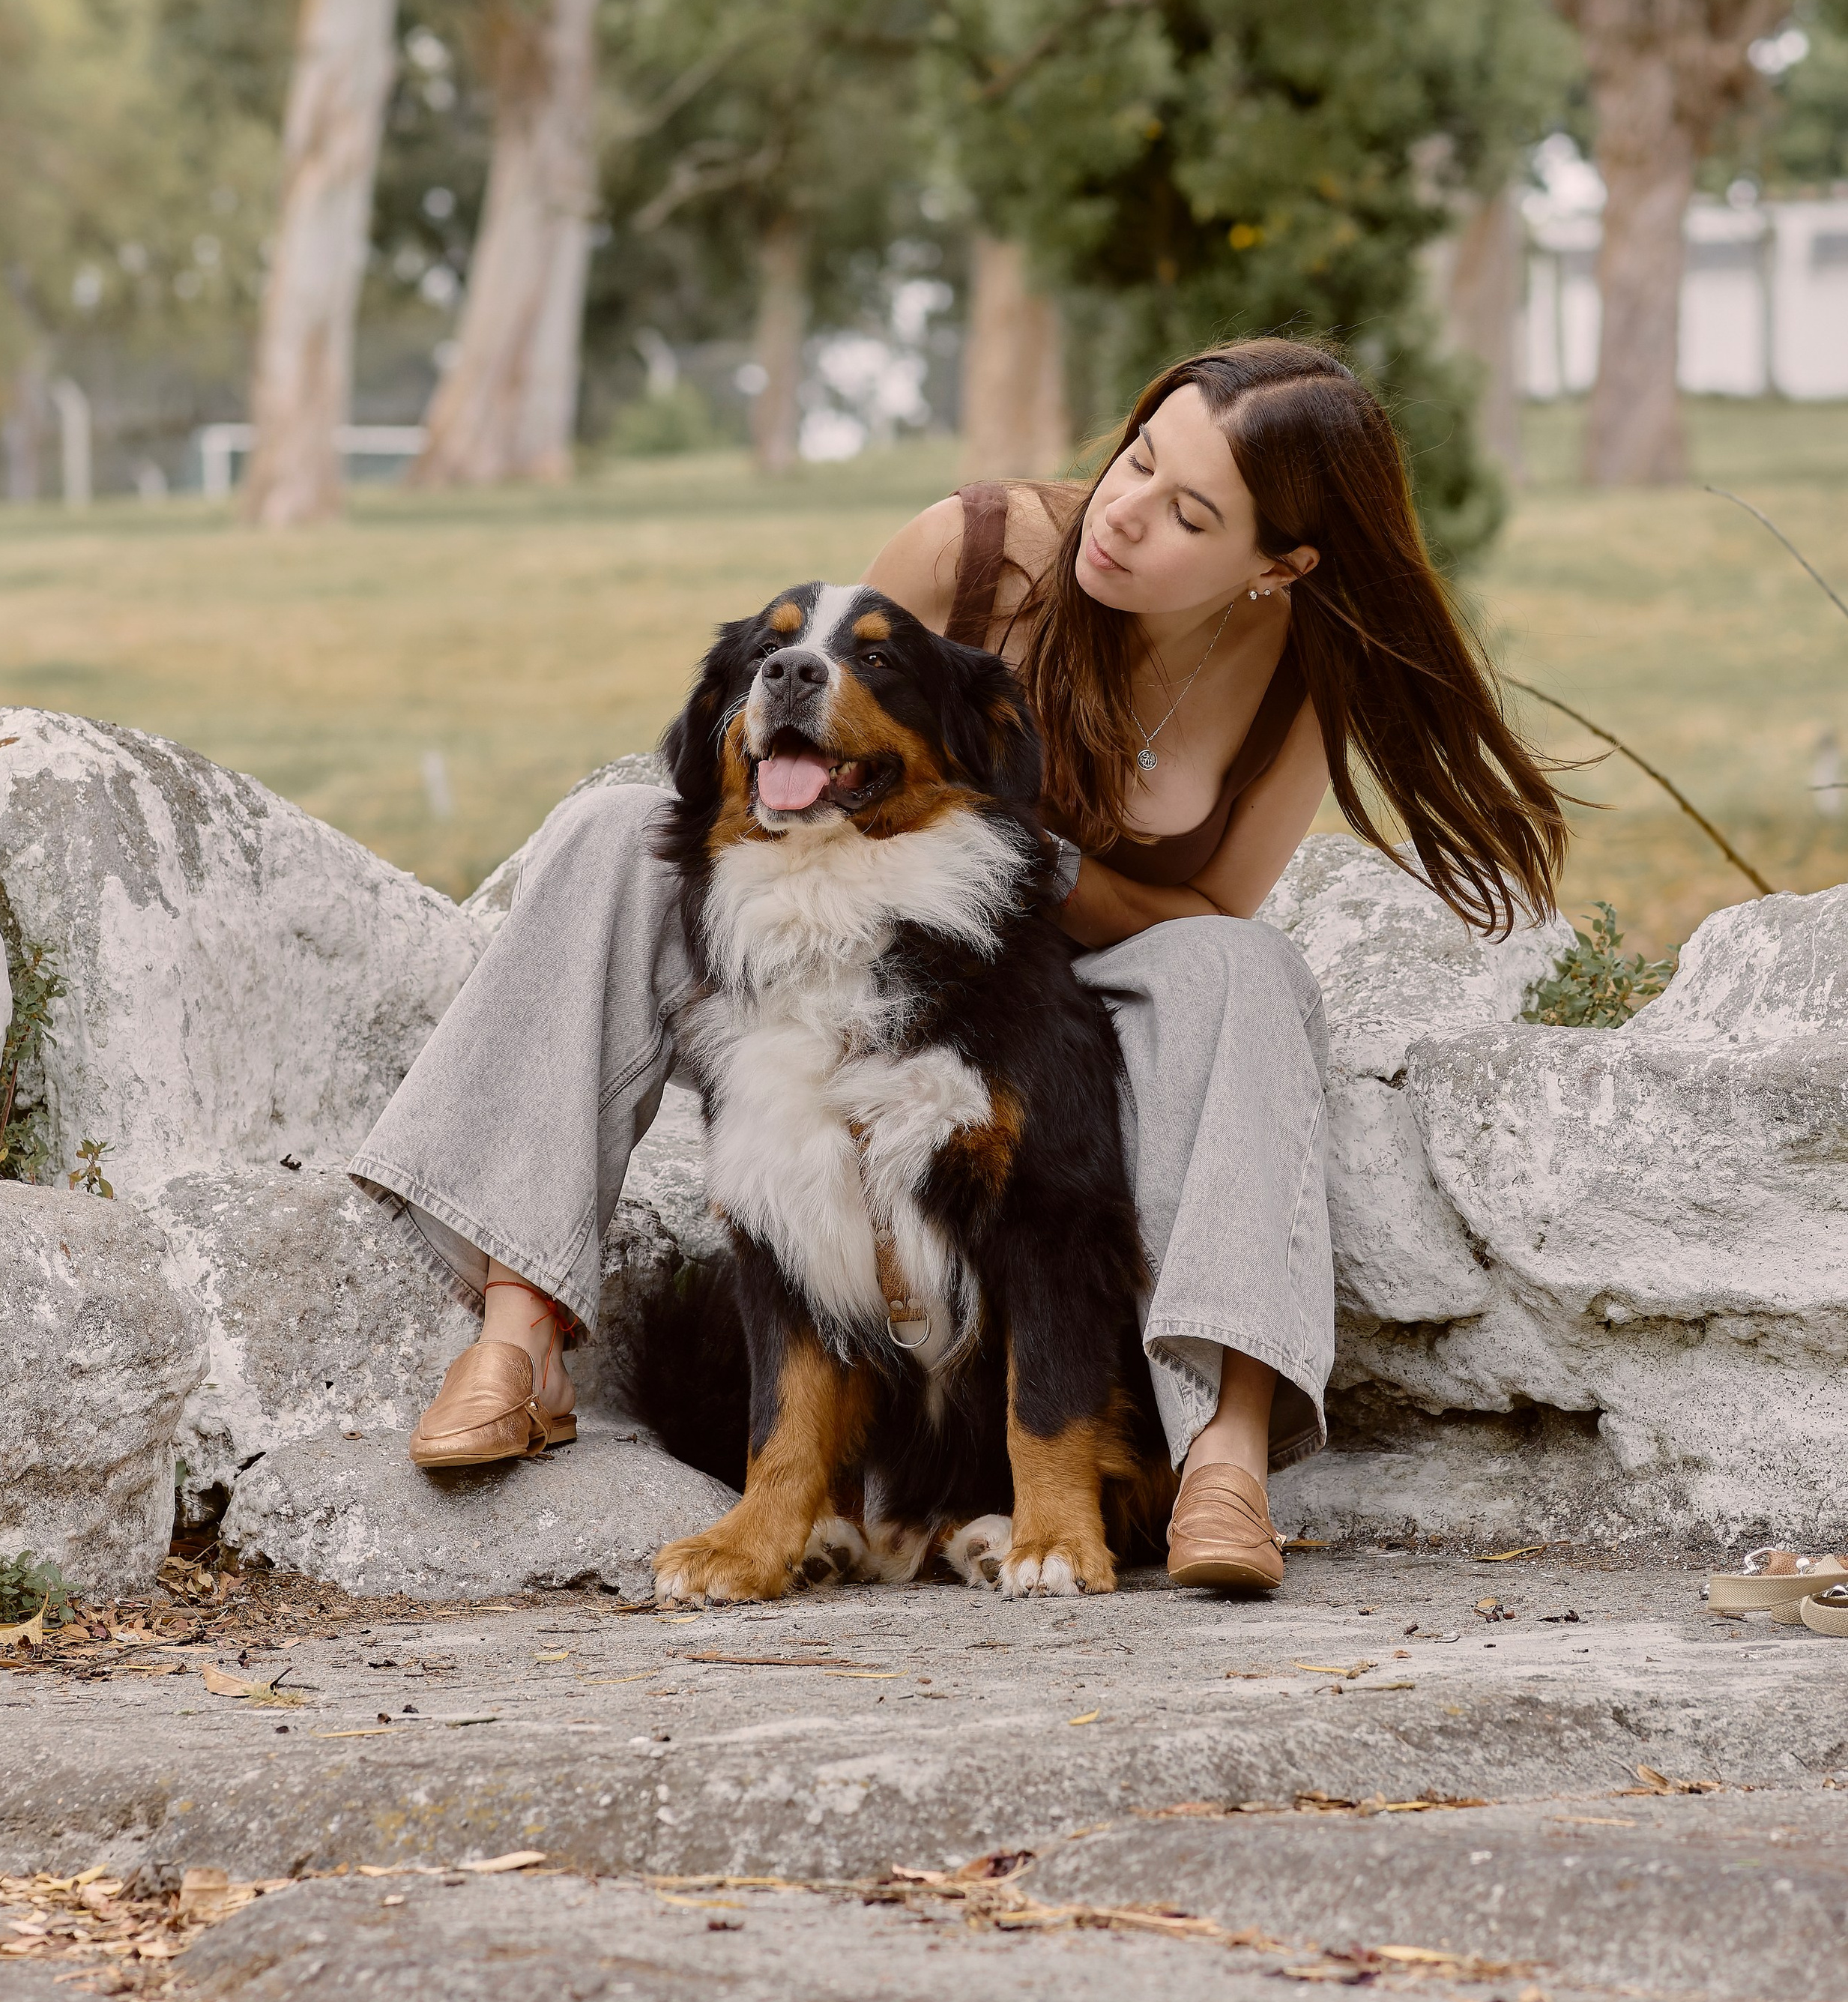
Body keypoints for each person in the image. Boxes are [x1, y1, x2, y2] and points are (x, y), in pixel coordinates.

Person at [351, 339, 1565, 1594]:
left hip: (1059, 981)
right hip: (849, 909)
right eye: (1139, 458)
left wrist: (1019, 859)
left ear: (1279, 565)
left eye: (1190, 513)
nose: (1128, 513)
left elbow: (1200, 907)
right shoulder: (976, 550)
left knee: (1246, 967)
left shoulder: (1298, 680)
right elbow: (817, 729)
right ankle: (519, 1331)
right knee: (613, 828)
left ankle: (1223, 1455)